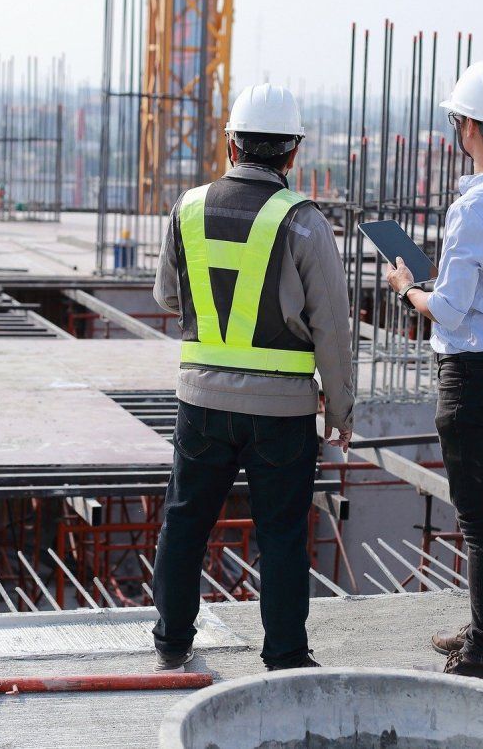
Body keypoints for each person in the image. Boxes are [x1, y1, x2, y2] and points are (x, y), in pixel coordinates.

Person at [151, 83, 354, 672]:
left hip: (202, 404)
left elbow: (168, 295)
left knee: (186, 521)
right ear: (293, 154)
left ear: (231, 145)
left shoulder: (187, 208)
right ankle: (286, 656)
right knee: (284, 535)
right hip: (284, 413)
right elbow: (333, 331)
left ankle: (171, 642)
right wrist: (340, 411)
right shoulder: (304, 223)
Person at [386, 60, 483, 685]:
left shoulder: (474, 206)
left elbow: (448, 308)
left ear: (469, 125)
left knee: (482, 521)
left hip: (474, 374)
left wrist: (406, 287)